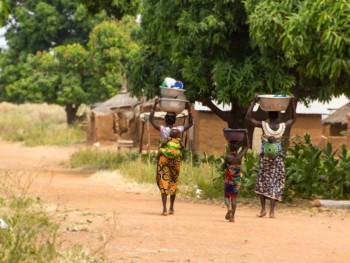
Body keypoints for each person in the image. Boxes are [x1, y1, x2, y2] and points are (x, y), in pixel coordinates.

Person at [245, 95, 296, 218]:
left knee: (262, 182)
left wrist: (253, 102)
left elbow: (248, 117)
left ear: (268, 116)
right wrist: (292, 103)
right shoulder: (282, 127)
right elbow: (293, 118)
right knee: (275, 183)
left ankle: (263, 209)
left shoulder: (264, 126)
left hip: (265, 159)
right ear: (278, 116)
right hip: (278, 159)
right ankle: (272, 211)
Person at [149, 98, 193, 216]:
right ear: (175, 121)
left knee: (164, 181)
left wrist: (154, 105)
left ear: (165, 120)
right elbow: (191, 123)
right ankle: (172, 208)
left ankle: (164, 209)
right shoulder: (178, 129)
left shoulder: (162, 129)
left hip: (163, 158)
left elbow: (151, 120)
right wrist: (189, 109)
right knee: (173, 181)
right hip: (175, 160)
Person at [222, 131, 249, 222]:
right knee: (234, 198)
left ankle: (228, 207)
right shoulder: (240, 156)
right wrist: (246, 134)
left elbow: (222, 168)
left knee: (226, 195)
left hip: (228, 180)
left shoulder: (227, 157)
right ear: (237, 149)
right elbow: (247, 146)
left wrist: (226, 165)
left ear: (230, 148)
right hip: (236, 181)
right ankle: (233, 217)